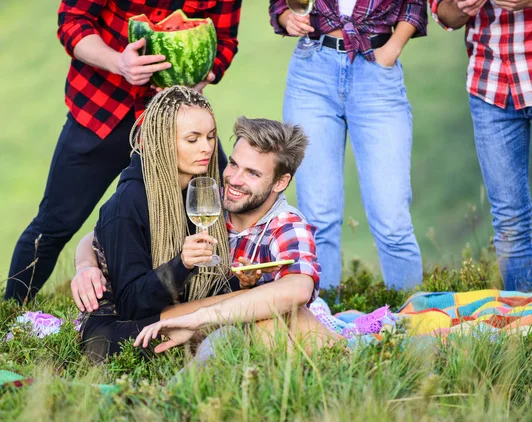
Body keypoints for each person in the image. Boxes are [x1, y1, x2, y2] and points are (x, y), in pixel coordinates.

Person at [5, 0, 242, 304]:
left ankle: (222, 303)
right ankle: (10, 317)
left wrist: (194, 79)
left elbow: (224, 41)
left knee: (227, 208)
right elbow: (72, 21)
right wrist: (119, 62)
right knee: (53, 225)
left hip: (177, 122)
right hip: (103, 106)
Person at [71, 88, 332, 360]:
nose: (206, 149)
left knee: (271, 312)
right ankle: (346, 356)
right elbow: (109, 234)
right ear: (162, 141)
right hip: (124, 328)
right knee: (267, 313)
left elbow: (299, 288)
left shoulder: (208, 191)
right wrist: (87, 265)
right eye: (192, 139)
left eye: (210, 137)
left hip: (179, 310)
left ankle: (344, 358)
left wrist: (237, 286)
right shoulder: (150, 200)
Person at [430, 0, 532, 290]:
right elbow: (444, 13)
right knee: (509, 224)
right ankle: (525, 325)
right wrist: (463, 6)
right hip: (490, 87)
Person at [269, 0, 427, 290]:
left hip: (377, 69)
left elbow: (414, 5)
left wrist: (391, 50)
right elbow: (282, 4)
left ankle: (412, 321)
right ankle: (321, 322)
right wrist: (284, 17)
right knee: (317, 216)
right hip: (312, 72)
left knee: (392, 219)